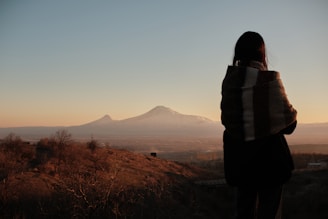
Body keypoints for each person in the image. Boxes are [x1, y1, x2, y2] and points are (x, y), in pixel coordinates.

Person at [220, 31, 297, 219]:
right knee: (270, 213)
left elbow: (228, 121)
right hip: (270, 165)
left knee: (243, 213)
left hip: (240, 165)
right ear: (262, 54)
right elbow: (290, 124)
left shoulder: (230, 82)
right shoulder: (270, 81)